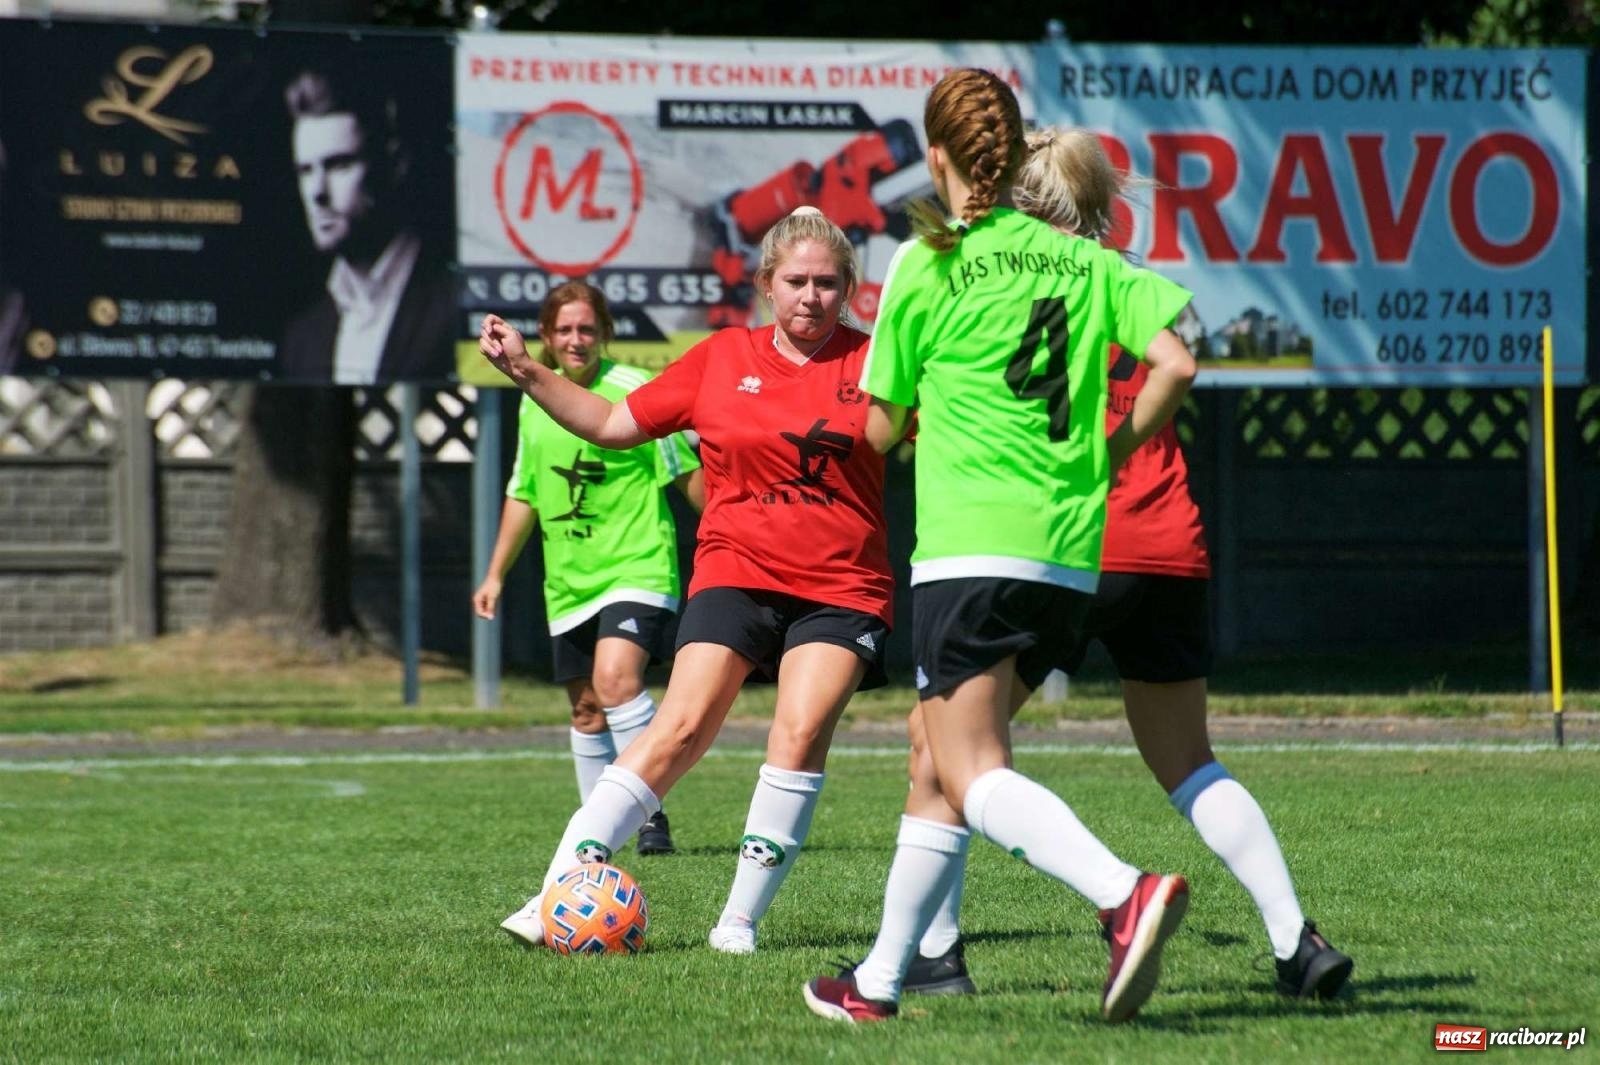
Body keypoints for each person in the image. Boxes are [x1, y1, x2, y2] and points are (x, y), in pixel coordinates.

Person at [890, 128, 1354, 1004]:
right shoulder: (1119, 275)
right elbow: (1177, 364)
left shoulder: (999, 277)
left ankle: (937, 956)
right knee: (1191, 762)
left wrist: (1095, 459)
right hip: (1169, 544)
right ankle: (1296, 939)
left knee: (946, 751)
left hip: (1065, 542)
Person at [802, 69, 1198, 1025]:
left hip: (970, 546)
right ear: (1017, 154)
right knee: (939, 762)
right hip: (1066, 552)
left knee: (971, 771)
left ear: (936, 155)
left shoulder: (926, 261)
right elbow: (1177, 360)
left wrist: (912, 408)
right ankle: (883, 980)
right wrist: (1109, 452)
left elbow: (880, 429)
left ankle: (1123, 892)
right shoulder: (1083, 258)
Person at [483, 206, 896, 955]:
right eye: (796, 281)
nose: (811, 296)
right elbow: (612, 424)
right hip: (736, 571)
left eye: (827, 283)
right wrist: (525, 369)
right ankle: (554, 897)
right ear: (766, 284)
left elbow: (957, 429)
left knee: (799, 732)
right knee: (677, 727)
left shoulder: (878, 365)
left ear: (848, 289)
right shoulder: (720, 357)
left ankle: (737, 922)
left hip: (842, 586)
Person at [473, 281, 704, 856]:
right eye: (565, 330)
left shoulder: (635, 390)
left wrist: (744, 528)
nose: (576, 339)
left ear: (604, 332)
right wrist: (495, 572)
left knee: (616, 680)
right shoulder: (535, 400)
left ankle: (649, 812)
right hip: (569, 580)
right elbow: (524, 491)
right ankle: (594, 836)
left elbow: (686, 473)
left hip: (637, 566)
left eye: (587, 328)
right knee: (585, 710)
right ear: (545, 337)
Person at [278, 65, 454, 385]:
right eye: (305, 170)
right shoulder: (303, 337)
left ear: (395, 163)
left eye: (338, 165)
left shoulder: (457, 303)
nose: (317, 192)